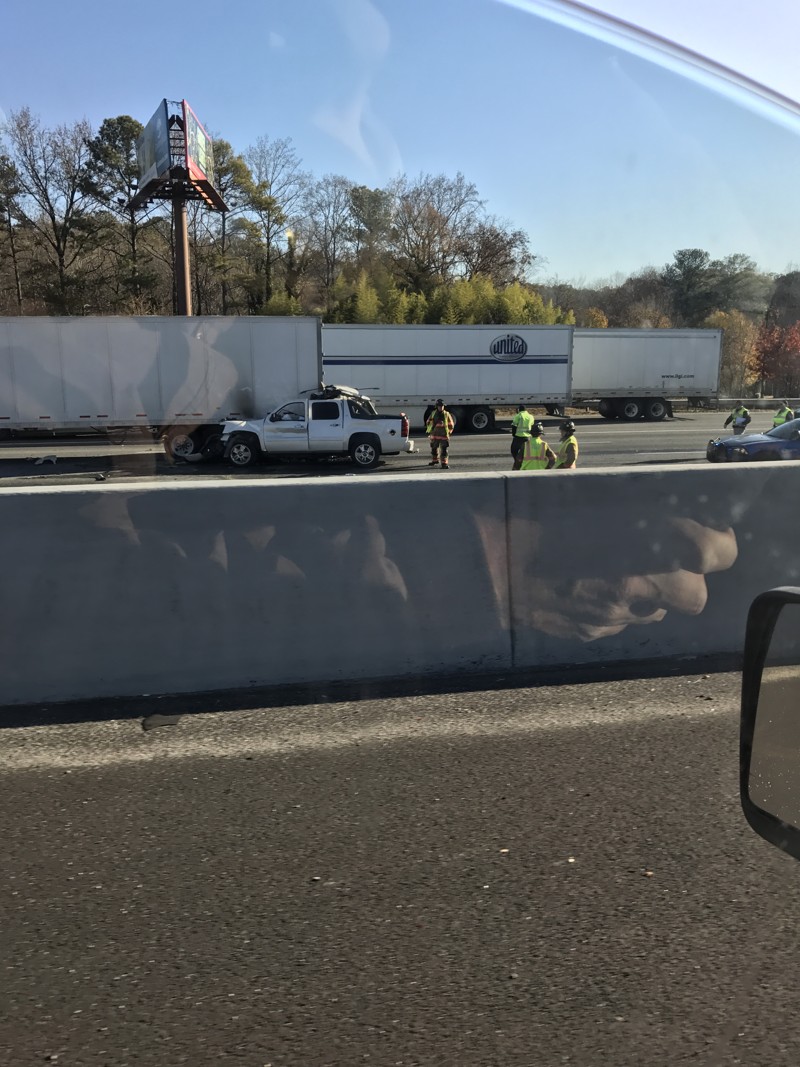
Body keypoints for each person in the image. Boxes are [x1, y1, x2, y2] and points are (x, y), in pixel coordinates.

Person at [426, 399, 455, 469]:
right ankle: (435, 460)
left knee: (444, 450)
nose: (441, 407)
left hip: (443, 435)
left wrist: (448, 432)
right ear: (437, 406)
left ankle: (444, 463)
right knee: (434, 448)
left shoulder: (446, 414)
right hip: (434, 435)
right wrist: (430, 431)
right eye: (439, 406)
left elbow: (451, 424)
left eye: (442, 406)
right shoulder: (433, 413)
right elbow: (428, 422)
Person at [510, 404, 535, 471]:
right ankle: (522, 463)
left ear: (519, 409)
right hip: (527, 438)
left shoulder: (518, 416)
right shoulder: (531, 416)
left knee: (513, 451)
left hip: (518, 438)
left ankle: (517, 463)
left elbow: (514, 426)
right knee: (525, 453)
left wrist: (514, 435)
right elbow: (532, 426)